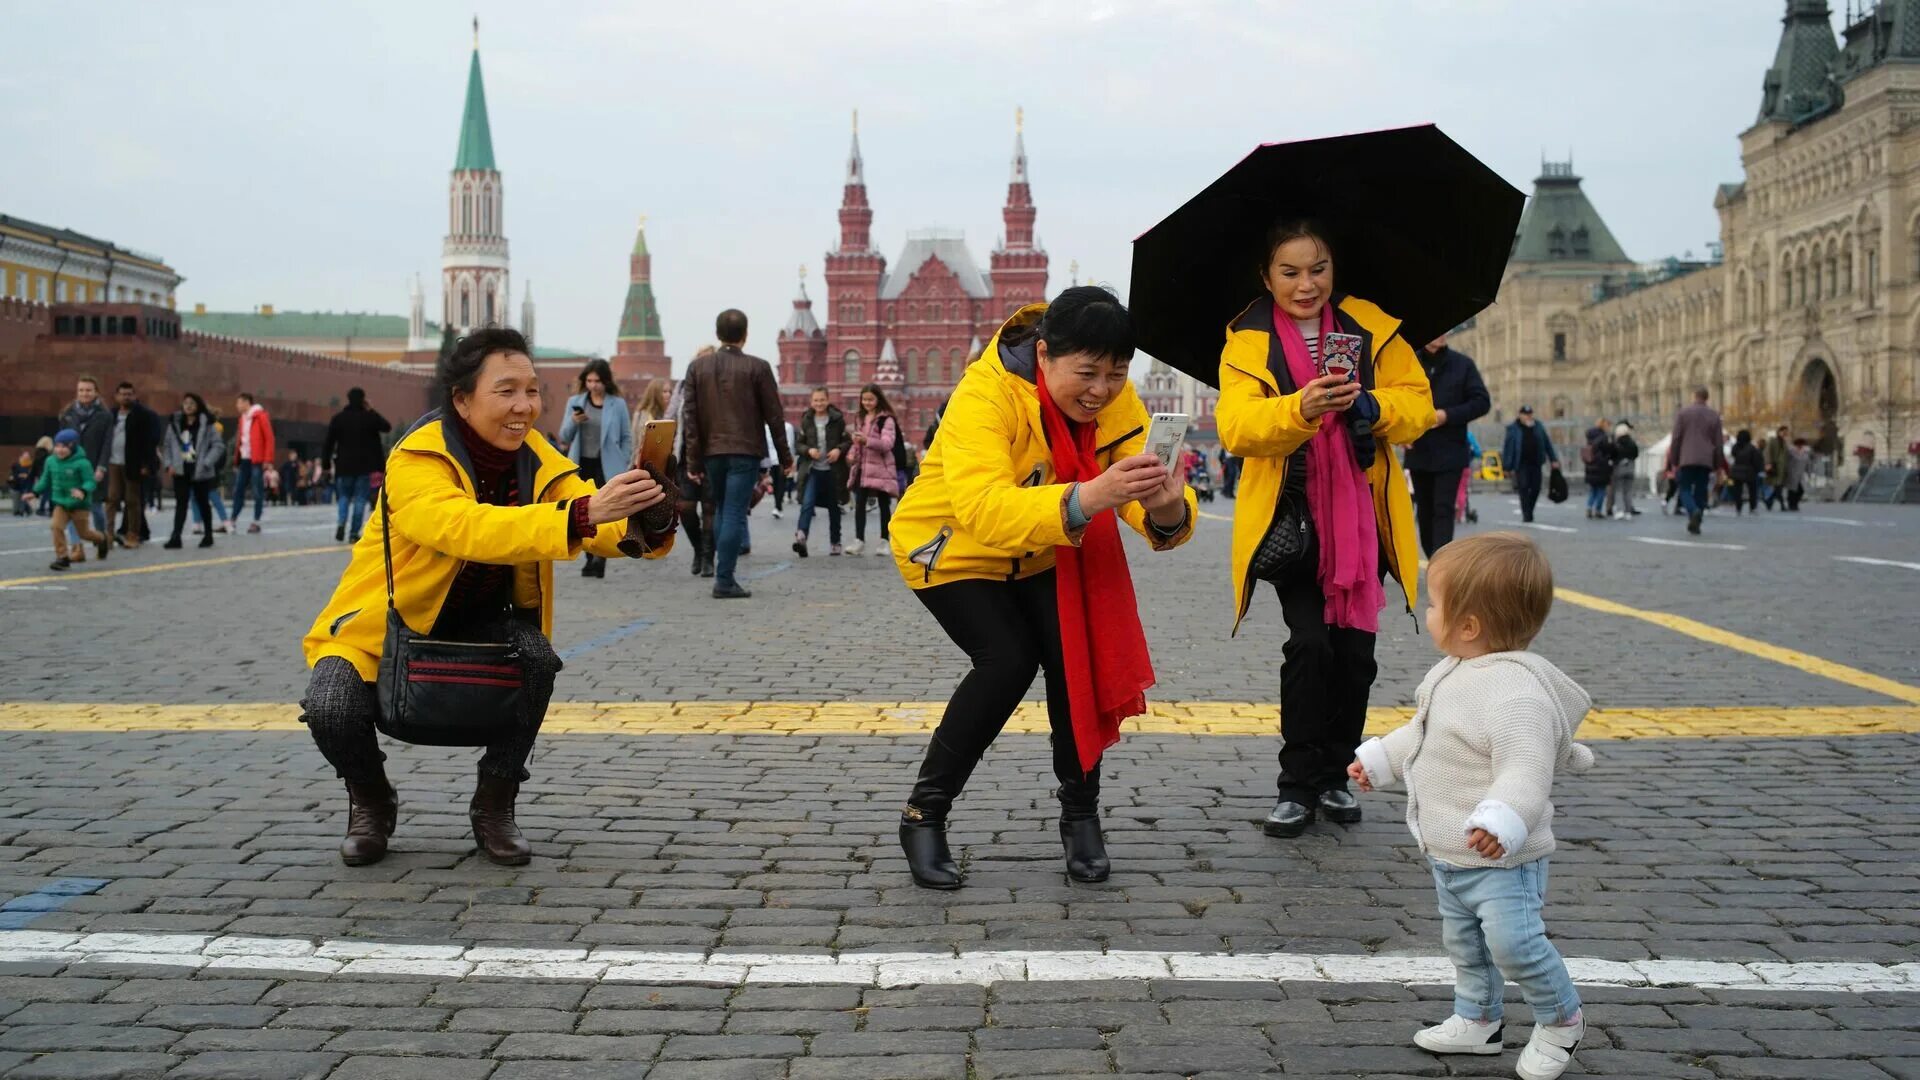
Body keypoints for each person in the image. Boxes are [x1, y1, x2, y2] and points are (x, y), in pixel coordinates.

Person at [300, 328, 674, 867]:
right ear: (462, 399)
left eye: (532, 390)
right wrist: (585, 513)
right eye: (506, 391)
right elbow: (463, 527)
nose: (525, 407)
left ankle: (495, 803)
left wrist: (648, 515)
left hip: (487, 618)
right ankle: (370, 797)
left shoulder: (538, 456)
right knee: (330, 704)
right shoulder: (417, 458)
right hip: (389, 621)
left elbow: (589, 517)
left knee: (538, 660)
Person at [889, 286, 1196, 889]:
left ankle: (1081, 816)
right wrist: (1092, 495)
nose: (1101, 390)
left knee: (1071, 659)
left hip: (1043, 545)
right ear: (1044, 352)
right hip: (950, 548)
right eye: (1086, 373)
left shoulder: (1113, 398)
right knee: (1006, 660)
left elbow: (1137, 495)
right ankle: (924, 814)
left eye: (1115, 374)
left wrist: (1164, 508)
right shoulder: (985, 396)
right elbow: (985, 511)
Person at [1214, 218, 1434, 839]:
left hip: (1362, 519)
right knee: (1309, 645)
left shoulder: (1372, 327)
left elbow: (1417, 404)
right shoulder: (1247, 340)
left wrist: (1372, 405)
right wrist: (1299, 408)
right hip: (1292, 518)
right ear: (1267, 277)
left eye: (1318, 270)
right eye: (1290, 272)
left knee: (1355, 656)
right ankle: (1295, 785)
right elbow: (1235, 427)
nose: (1306, 284)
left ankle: (1337, 773)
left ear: (1334, 270)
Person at [1349, 532, 1593, 1080]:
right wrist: (1382, 761)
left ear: (1469, 625)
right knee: (1465, 944)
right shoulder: (1454, 671)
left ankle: (1561, 1019)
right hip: (1451, 852)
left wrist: (1501, 818)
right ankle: (1478, 1018)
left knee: (1514, 944)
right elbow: (1425, 733)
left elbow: (1525, 771)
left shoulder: (1515, 695)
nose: (1428, 612)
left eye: (1434, 604)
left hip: (1502, 857)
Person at [682, 310, 792, 599]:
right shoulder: (758, 367)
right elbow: (775, 416)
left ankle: (723, 572)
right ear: (745, 334)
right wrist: (786, 457)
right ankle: (725, 580)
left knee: (720, 508)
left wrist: (693, 460)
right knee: (733, 511)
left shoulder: (697, 368)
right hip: (745, 450)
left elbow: (690, 418)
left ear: (718, 334)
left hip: (711, 452)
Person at [1403, 335, 1490, 555]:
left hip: (1451, 451)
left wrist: (1447, 415)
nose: (1441, 334)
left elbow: (1481, 402)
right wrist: (1401, 433)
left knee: (1443, 508)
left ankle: (1440, 563)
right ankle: (1433, 555)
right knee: (1424, 510)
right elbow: (1393, 399)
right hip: (1418, 451)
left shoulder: (1463, 364)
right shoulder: (1407, 362)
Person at [557, 358, 634, 580]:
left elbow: (626, 436)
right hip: (582, 464)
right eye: (589, 381)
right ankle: (590, 557)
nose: (593, 385)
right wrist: (574, 421)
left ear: (606, 381)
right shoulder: (575, 402)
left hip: (608, 466)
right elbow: (564, 436)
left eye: (597, 381)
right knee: (586, 511)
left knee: (607, 511)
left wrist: (624, 457)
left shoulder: (616, 404)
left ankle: (601, 557)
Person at [27, 429, 110, 571]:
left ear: (73, 446)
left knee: (84, 533)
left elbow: (91, 482)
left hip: (79, 505)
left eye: (65, 446)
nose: (60, 450)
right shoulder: (50, 461)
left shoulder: (83, 463)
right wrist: (35, 492)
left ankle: (102, 539)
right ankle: (63, 557)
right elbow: (45, 480)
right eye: (58, 446)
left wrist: (82, 491)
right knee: (56, 526)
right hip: (61, 503)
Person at [323, 387, 392, 544]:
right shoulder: (369, 418)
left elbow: (328, 443)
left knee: (344, 498)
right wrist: (371, 410)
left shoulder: (338, 419)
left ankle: (341, 523)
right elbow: (387, 427)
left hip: (343, 466)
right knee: (360, 499)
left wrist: (325, 464)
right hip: (364, 467)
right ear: (363, 400)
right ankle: (354, 533)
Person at [160, 392, 225, 550]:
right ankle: (176, 537)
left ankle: (208, 535)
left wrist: (207, 462)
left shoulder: (207, 424)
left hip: (200, 470)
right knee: (181, 503)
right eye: (186, 403)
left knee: (203, 503)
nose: (188, 406)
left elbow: (218, 445)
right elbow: (167, 445)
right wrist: (168, 464)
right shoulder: (175, 423)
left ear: (198, 406)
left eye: (192, 403)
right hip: (180, 469)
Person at [791, 387, 850, 559]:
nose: (819, 403)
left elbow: (846, 441)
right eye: (816, 400)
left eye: (822, 400)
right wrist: (808, 450)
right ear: (811, 402)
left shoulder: (837, 419)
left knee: (834, 507)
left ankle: (835, 542)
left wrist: (839, 450)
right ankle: (801, 536)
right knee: (807, 503)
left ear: (828, 400)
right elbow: (798, 444)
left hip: (833, 471)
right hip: (813, 470)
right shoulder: (807, 419)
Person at [846, 385, 902, 556]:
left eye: (870, 399)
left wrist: (866, 440)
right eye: (864, 399)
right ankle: (859, 540)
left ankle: (884, 541)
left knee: (884, 505)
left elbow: (887, 444)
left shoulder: (887, 420)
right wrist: (851, 454)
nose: (867, 403)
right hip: (863, 467)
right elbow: (857, 442)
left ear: (878, 399)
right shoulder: (860, 418)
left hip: (881, 468)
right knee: (860, 504)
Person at [58, 376, 115, 539]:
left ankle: (102, 538)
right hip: (72, 468)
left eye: (88, 390)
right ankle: (76, 547)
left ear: (96, 392)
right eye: (81, 390)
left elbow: (107, 444)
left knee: (96, 508)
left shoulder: (105, 416)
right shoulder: (67, 414)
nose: (85, 393)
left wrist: (102, 467)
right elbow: (61, 442)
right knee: (72, 507)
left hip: (94, 468)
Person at [1665, 386, 1725, 535]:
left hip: (1686, 458)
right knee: (1701, 490)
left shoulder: (1683, 413)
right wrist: (1718, 465)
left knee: (1684, 488)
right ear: (1707, 398)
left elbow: (1676, 438)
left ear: (1694, 396)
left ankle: (1693, 512)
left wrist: (1674, 459)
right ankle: (1697, 520)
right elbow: (1718, 443)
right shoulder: (1714, 415)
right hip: (1706, 460)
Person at [1500, 407, 1560, 524]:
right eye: (1525, 414)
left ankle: (1529, 509)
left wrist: (1553, 459)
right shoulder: (1513, 428)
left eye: (1530, 414)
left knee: (1536, 488)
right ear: (1520, 415)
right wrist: (1506, 466)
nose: (1528, 416)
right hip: (1521, 463)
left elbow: (1547, 443)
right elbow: (1508, 448)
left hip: (1536, 462)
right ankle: (1526, 514)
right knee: (1523, 487)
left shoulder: (1538, 426)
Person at [228, 392, 276, 534]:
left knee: (257, 490)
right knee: (238, 490)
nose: (237, 406)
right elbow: (241, 440)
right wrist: (236, 459)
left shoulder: (260, 416)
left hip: (257, 460)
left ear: (246, 402)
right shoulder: (242, 419)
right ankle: (232, 520)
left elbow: (269, 438)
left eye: (239, 403)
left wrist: (268, 459)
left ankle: (256, 521)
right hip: (245, 460)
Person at [1579, 417, 1613, 520]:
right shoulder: (1603, 437)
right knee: (1601, 490)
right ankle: (1598, 509)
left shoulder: (1590, 437)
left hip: (1590, 467)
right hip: (1601, 467)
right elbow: (1608, 450)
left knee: (1593, 490)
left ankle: (1589, 507)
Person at [1605, 421, 1638, 519]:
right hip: (1630, 467)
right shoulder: (1632, 443)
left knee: (1618, 490)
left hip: (1619, 467)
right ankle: (1628, 511)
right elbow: (1636, 454)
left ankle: (1620, 510)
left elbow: (1612, 454)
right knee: (1628, 491)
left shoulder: (1617, 443)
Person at [1727, 429, 1765, 515]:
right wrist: (1759, 470)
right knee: (1752, 491)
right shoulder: (1752, 448)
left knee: (1738, 491)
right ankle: (1752, 507)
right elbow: (1756, 461)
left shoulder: (1735, 447)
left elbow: (1732, 456)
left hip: (1736, 471)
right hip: (1749, 472)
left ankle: (1738, 508)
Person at [1762, 425, 1790, 511]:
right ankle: (1782, 505)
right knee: (1778, 487)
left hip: (1782, 469)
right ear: (1779, 432)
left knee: (1778, 487)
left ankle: (1768, 501)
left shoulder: (1784, 442)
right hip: (1775, 467)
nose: (1785, 433)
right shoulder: (1773, 441)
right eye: (1784, 431)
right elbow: (1767, 452)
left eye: (1786, 432)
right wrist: (1768, 464)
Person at [9, 451, 31, 516]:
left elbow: (30, 475)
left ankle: (23, 511)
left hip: (25, 486)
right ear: (21, 457)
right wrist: (21, 475)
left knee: (23, 501)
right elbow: (13, 475)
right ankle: (27, 510)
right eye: (25, 457)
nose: (26, 458)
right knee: (16, 506)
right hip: (16, 486)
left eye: (28, 457)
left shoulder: (29, 465)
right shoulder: (16, 465)